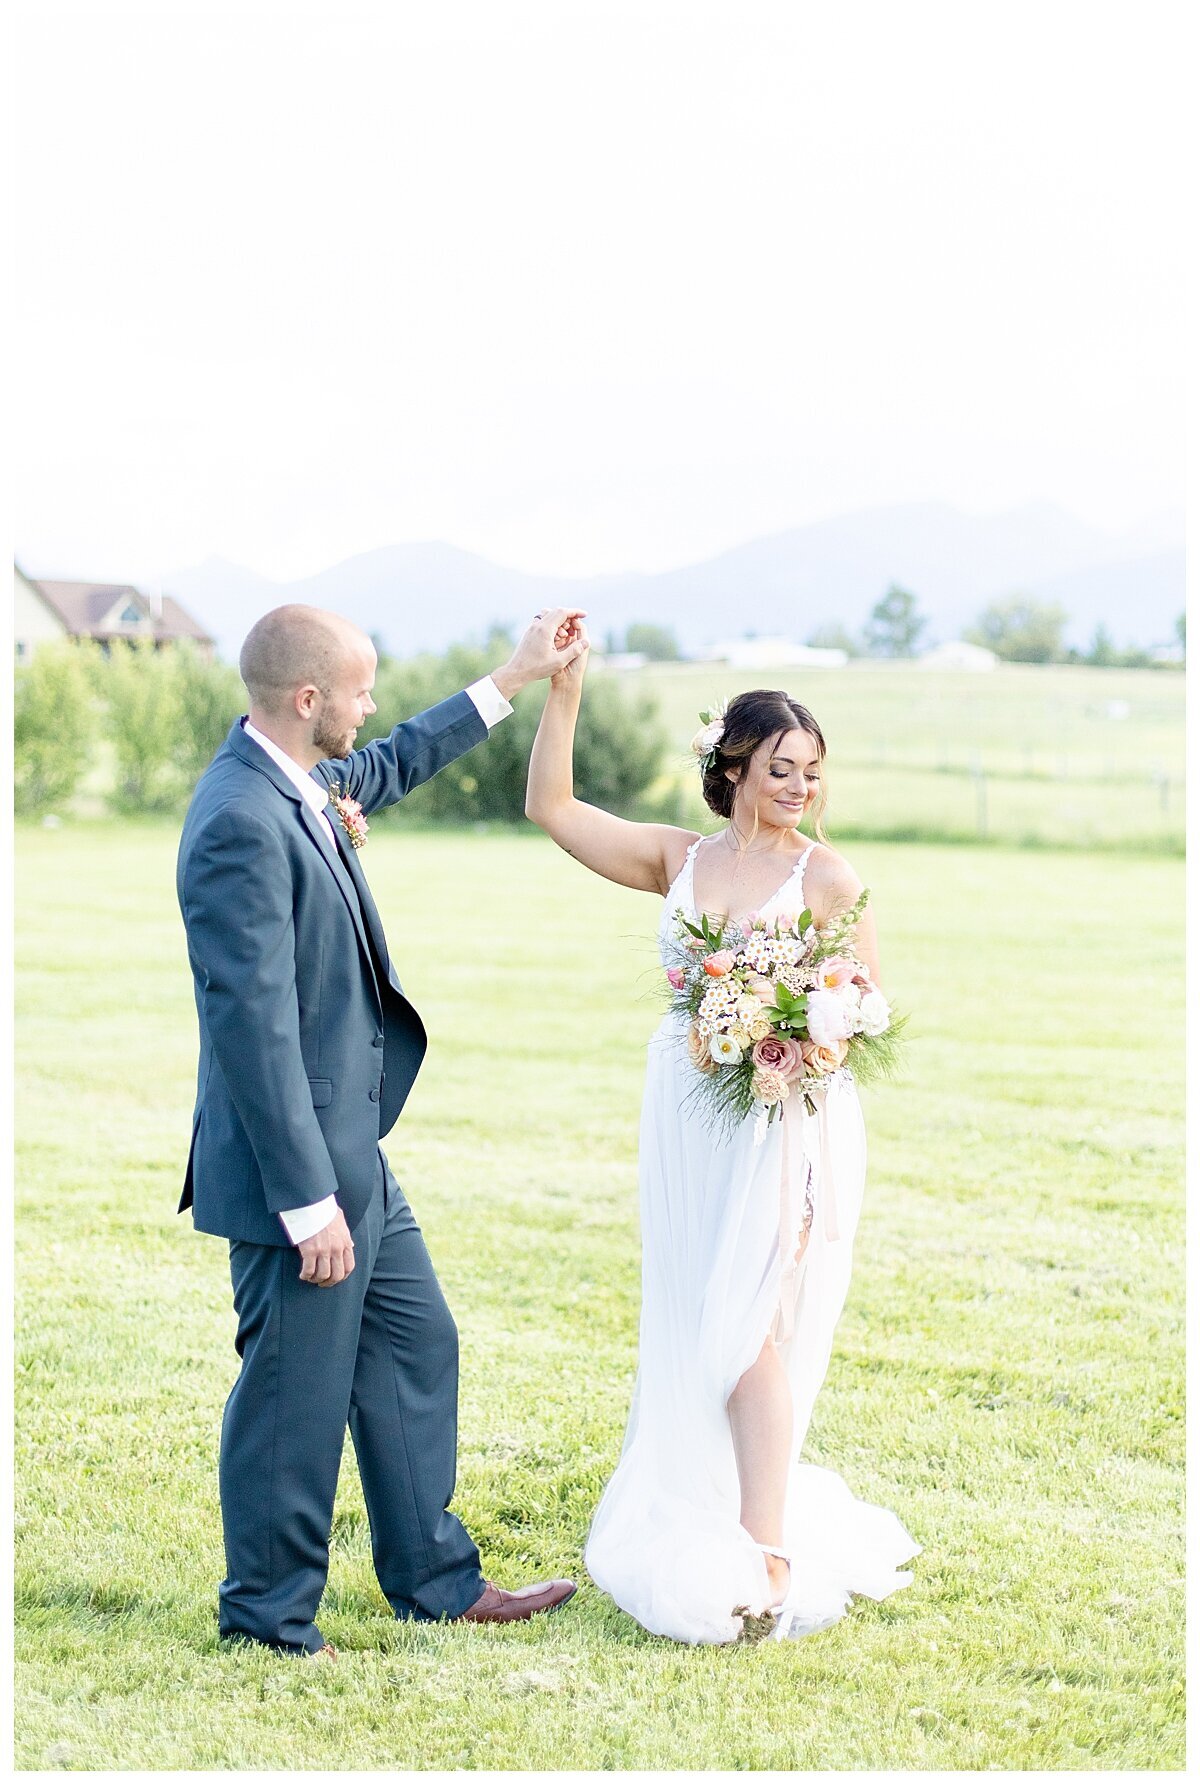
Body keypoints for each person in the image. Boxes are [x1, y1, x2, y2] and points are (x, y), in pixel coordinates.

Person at [177, 602, 585, 1657]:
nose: (370, 707)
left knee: (415, 1342)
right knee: (292, 1398)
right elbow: (252, 1027)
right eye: (358, 691)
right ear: (308, 699)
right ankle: (267, 1623)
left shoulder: (303, 782)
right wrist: (308, 1202)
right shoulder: (238, 819)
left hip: (358, 1156)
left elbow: (396, 761)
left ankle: (436, 1582)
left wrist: (515, 675)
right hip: (296, 1175)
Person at [525, 632, 920, 1643]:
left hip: (784, 1124)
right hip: (684, 1118)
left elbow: (864, 1008)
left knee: (752, 1325)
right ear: (733, 766)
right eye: (781, 767)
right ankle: (731, 1513)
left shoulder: (827, 877)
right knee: (702, 1316)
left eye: (813, 771)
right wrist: (564, 690)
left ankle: (767, 1551)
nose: (799, 785)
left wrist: (788, 1029)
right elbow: (553, 811)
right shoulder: (679, 857)